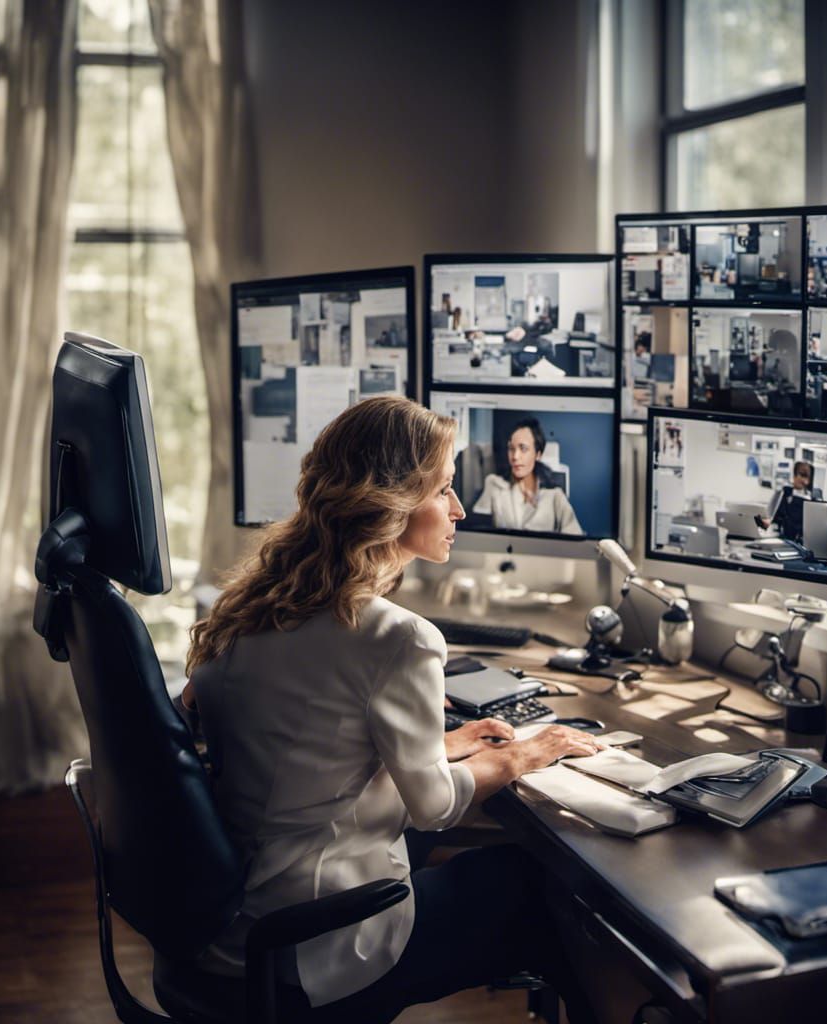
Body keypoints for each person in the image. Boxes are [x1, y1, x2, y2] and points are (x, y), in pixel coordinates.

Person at [181, 396, 600, 1022]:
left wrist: (442, 747)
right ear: (391, 503)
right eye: (444, 490)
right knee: (540, 885)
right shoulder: (397, 637)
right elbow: (435, 809)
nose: (459, 509)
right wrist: (523, 755)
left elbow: (305, 750)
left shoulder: (258, 604)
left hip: (240, 923)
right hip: (317, 939)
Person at [472, 418, 584, 535]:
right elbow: (476, 531)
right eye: (511, 449)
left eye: (523, 449)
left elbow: (575, 537)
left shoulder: (555, 496)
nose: (515, 456)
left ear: (538, 454)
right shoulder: (494, 484)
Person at [760, 460, 820, 543]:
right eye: (797, 474)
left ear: (809, 479)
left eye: (804, 475)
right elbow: (772, 515)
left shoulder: (813, 501)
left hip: (800, 541)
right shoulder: (784, 492)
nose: (799, 477)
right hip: (782, 538)